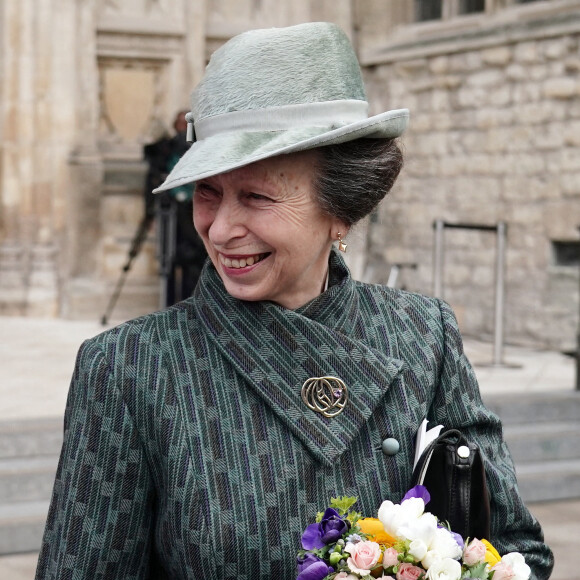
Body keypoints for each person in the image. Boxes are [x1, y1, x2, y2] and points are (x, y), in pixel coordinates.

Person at [36, 22, 553, 580]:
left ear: (341, 210)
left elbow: (517, 550)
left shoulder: (423, 336)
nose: (221, 228)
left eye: (256, 196)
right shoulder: (128, 368)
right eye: (207, 193)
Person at [143, 110, 207, 305]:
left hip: (190, 218)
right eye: (180, 124)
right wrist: (148, 214)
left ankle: (190, 306)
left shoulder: (201, 150)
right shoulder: (166, 150)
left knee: (193, 264)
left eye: (186, 125)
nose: (183, 130)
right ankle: (169, 306)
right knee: (169, 265)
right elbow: (152, 181)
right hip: (170, 215)